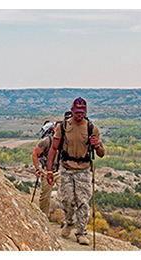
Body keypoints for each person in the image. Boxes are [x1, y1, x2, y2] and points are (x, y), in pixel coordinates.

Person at [47, 97, 104, 245]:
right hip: (66, 167)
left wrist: (97, 146)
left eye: (82, 111)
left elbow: (101, 153)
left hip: (83, 169)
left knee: (83, 202)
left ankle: (81, 233)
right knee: (67, 200)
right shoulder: (64, 126)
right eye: (77, 111)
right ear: (72, 110)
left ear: (86, 111)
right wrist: (49, 171)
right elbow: (53, 148)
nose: (80, 113)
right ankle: (69, 222)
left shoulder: (91, 128)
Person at [32, 120, 65, 226]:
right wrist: (37, 169)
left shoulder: (65, 141)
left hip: (60, 171)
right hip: (47, 171)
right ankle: (43, 219)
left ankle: (65, 222)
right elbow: (35, 154)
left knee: (64, 196)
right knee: (45, 197)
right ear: (54, 129)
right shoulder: (47, 141)